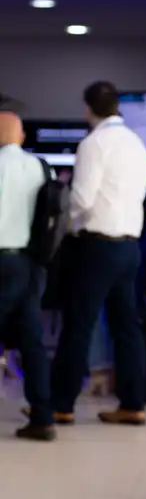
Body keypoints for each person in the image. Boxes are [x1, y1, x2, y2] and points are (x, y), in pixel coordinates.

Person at [50, 81, 146, 424]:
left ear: (88, 108)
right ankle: (133, 404)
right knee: (127, 328)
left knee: (79, 324)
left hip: (96, 247)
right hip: (130, 247)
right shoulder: (136, 143)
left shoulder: (93, 143)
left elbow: (82, 198)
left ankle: (60, 405)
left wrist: (64, 225)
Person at [0, 111, 55, 441]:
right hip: (29, 264)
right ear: (21, 137)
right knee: (32, 342)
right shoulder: (42, 167)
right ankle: (42, 418)